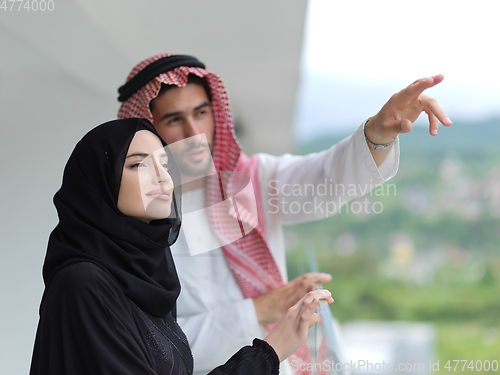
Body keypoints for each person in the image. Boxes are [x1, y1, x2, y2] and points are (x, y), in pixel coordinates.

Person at [117, 54, 452, 375]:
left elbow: (325, 178)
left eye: (201, 113)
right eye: (174, 119)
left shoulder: (252, 179)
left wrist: (378, 133)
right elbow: (148, 344)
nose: (194, 133)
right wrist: (259, 310)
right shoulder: (130, 220)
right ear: (147, 132)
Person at [29, 118, 334, 375]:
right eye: (139, 165)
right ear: (99, 184)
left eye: (165, 163)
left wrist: (272, 351)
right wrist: (269, 352)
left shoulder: (148, 276)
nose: (163, 178)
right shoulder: (84, 284)